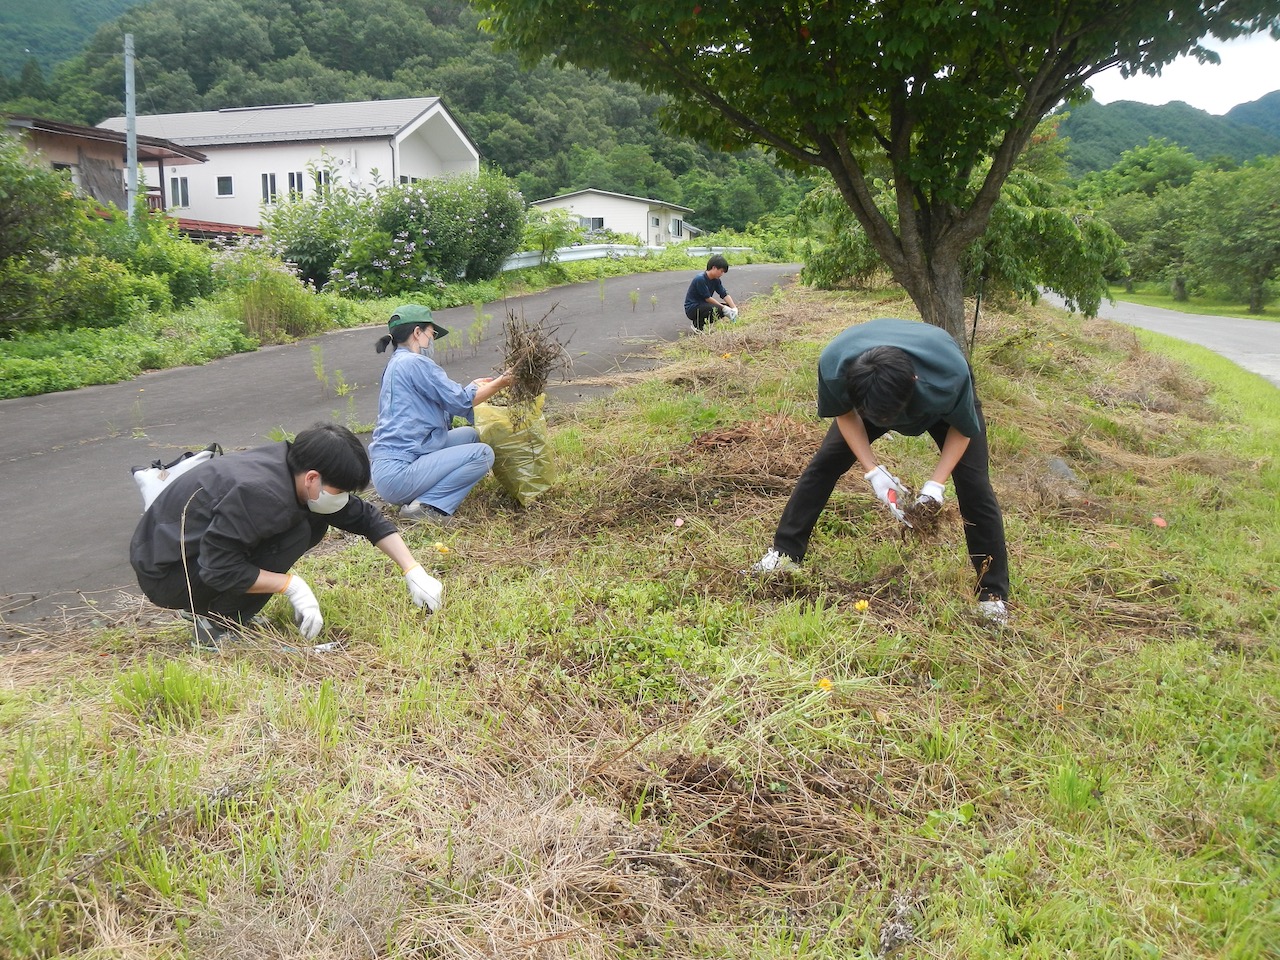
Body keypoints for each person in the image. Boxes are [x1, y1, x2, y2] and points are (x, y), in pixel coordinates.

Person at [751, 317, 1011, 625]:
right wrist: (872, 470)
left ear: (913, 381)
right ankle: (785, 554)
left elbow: (963, 430)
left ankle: (992, 596)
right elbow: (846, 415)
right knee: (824, 465)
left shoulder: (947, 378)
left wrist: (935, 485)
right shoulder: (836, 366)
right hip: (875, 392)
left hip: (932, 395)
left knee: (975, 486)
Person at [130, 423, 443, 650]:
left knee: (312, 517)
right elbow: (218, 567)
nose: (344, 498)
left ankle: (214, 608)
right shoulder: (263, 494)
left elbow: (365, 517)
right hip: (169, 575)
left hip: (184, 555)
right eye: (342, 491)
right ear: (312, 478)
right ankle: (215, 623)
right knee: (298, 531)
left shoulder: (294, 465)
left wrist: (412, 569)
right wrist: (291, 586)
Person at [368, 304, 514, 524]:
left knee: (469, 436)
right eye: (431, 333)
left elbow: (446, 400)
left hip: (393, 468)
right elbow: (462, 401)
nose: (432, 340)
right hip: (400, 473)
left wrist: (477, 386)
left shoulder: (397, 364)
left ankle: (423, 498)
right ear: (417, 333)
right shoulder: (415, 362)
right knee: (482, 454)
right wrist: (501, 382)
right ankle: (426, 507)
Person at [684, 254, 739, 332]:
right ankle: (698, 325)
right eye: (721, 271)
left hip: (703, 306)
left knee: (726, 307)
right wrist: (723, 308)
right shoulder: (700, 279)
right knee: (719, 309)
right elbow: (707, 298)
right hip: (693, 308)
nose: (722, 274)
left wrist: (733, 308)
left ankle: (701, 324)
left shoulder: (716, 280)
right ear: (714, 268)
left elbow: (724, 294)